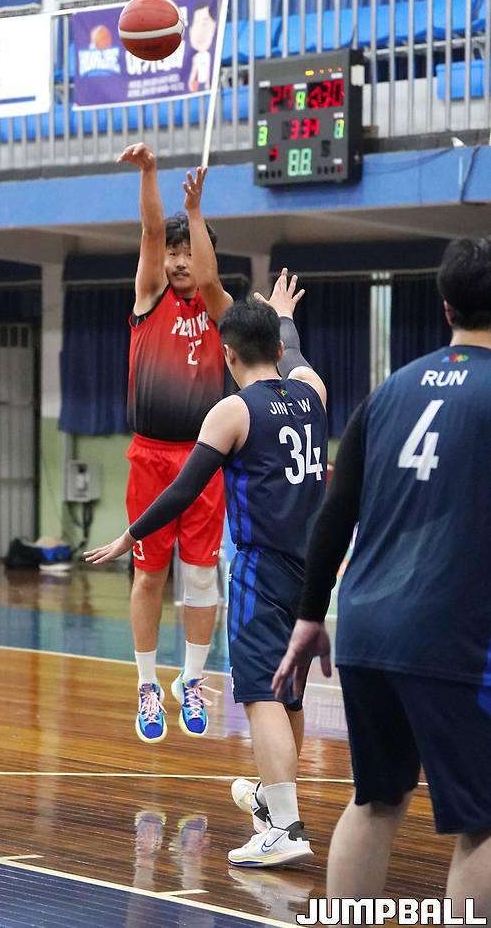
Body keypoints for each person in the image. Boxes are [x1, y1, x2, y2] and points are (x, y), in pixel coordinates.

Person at [273, 237, 491, 916]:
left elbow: (333, 513)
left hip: (364, 626)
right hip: (457, 635)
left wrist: (310, 616)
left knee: (375, 799)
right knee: (484, 821)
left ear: (445, 305)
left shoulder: (390, 390)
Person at [86, 271, 328, 868]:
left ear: (227, 355)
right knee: (290, 696)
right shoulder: (313, 391)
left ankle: (285, 827)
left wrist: (128, 536)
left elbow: (180, 491)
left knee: (261, 694)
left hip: (262, 569)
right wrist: (284, 316)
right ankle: (273, 806)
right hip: (313, 571)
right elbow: (294, 353)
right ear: (276, 347)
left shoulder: (232, 411)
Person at [116, 142, 233, 744]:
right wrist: (152, 173)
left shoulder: (220, 310)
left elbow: (209, 277)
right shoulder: (148, 297)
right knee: (150, 576)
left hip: (204, 458)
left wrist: (196, 210)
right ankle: (146, 684)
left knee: (202, 576)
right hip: (150, 457)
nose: (180, 261)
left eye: (190, 250)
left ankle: (192, 678)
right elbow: (149, 231)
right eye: (174, 251)